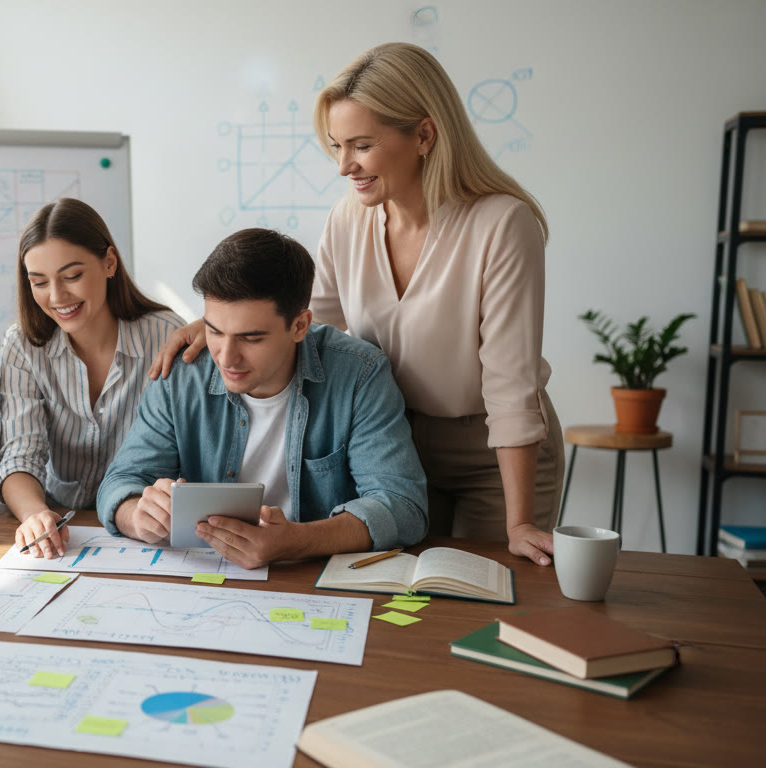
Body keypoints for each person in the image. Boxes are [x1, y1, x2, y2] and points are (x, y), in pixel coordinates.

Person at [151, 42, 561, 566]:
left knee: (481, 588)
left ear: (424, 135)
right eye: (338, 146)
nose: (344, 165)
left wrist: (520, 521)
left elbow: (510, 383)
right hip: (398, 442)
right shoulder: (351, 219)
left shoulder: (502, 225)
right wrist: (210, 326)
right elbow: (301, 317)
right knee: (406, 602)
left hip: (495, 452)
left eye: (361, 145)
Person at [98, 228, 427, 569]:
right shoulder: (180, 373)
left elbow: (403, 506)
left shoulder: (359, 374)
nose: (226, 357)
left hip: (314, 582)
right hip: (205, 579)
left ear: (300, 326)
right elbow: (119, 483)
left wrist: (298, 541)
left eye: (250, 338)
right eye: (214, 331)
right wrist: (135, 514)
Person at [0, 198, 183, 558]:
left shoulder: (165, 335)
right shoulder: (22, 345)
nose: (56, 297)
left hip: (142, 531)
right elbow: (20, 454)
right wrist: (34, 513)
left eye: (72, 276)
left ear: (109, 263)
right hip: (61, 535)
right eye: (39, 282)